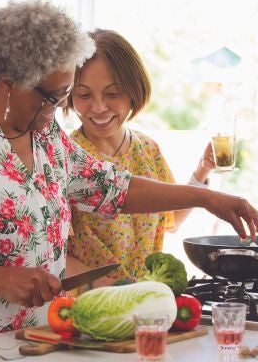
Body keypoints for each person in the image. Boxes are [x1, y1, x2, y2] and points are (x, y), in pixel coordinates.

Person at [0, 0, 258, 353]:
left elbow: (113, 189)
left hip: (36, 342)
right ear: (8, 84)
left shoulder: (45, 136)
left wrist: (204, 196)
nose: (59, 109)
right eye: (53, 97)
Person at [64, 29, 216, 286]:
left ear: (135, 90)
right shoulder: (65, 156)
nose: (99, 107)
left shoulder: (147, 149)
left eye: (113, 94)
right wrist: (105, 286)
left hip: (144, 304)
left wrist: (202, 172)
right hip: (87, 307)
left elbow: (171, 220)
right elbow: (50, 254)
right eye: (84, 95)